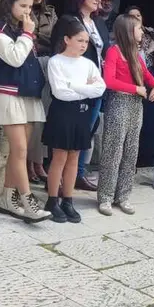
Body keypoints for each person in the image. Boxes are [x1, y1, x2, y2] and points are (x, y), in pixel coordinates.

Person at [0, 0, 50, 222]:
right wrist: (27, 34)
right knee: (21, 149)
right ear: (9, 4)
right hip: (8, 92)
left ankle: (7, 198)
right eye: (22, 6)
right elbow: (13, 57)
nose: (26, 12)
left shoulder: (21, 28)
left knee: (18, 151)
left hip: (27, 92)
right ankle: (28, 199)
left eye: (30, 7)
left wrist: (26, 33)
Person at [41, 20, 107, 223]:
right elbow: (60, 93)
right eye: (79, 40)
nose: (83, 45)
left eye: (86, 41)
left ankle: (68, 200)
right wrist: (83, 87)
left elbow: (100, 88)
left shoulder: (88, 64)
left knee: (74, 158)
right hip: (62, 112)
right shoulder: (56, 62)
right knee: (59, 157)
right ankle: (53, 199)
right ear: (67, 39)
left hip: (81, 113)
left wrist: (73, 85)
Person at [51, 0, 110, 192]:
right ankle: (57, 181)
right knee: (64, 137)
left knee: (86, 131)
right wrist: (77, 84)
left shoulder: (99, 23)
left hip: (95, 82)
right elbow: (57, 53)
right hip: (72, 87)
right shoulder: (68, 21)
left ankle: (78, 175)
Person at [98, 15, 154, 215]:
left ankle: (123, 195)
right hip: (119, 102)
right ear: (128, 30)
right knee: (113, 150)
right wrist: (135, 88)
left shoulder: (134, 52)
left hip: (135, 105)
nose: (142, 32)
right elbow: (109, 81)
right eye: (139, 28)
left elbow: (147, 75)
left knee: (131, 150)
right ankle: (106, 197)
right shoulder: (114, 51)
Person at [23, 0, 56, 186]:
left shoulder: (50, 11)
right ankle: (28, 163)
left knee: (44, 116)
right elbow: (31, 36)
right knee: (31, 118)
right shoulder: (24, 12)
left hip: (48, 61)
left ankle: (38, 162)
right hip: (30, 62)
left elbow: (56, 36)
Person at [130, 5, 154, 168]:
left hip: (149, 74)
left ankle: (148, 155)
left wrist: (151, 46)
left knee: (151, 116)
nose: (136, 18)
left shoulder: (150, 32)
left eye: (138, 15)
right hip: (132, 75)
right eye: (131, 16)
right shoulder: (124, 34)